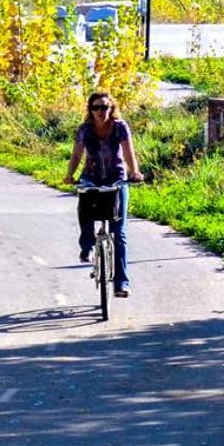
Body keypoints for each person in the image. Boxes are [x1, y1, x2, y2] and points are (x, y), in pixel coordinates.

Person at [62, 91, 144, 298]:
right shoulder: (85, 129)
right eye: (96, 107)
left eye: (104, 107)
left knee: (119, 232)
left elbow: (128, 152)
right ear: (90, 110)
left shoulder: (119, 127)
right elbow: (77, 153)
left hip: (116, 178)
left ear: (111, 108)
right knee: (85, 208)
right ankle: (87, 246)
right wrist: (70, 174)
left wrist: (134, 171)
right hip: (91, 176)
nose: (100, 112)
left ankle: (121, 283)